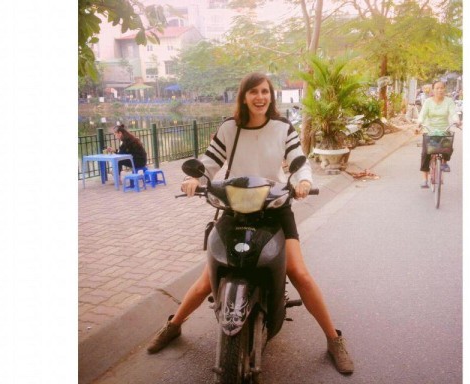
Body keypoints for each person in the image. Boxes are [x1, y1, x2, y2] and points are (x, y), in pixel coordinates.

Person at [146, 72, 354, 374]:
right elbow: (210, 163)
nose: (260, 97)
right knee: (207, 279)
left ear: (271, 96)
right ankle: (174, 325)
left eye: (265, 92)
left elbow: (298, 161)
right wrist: (195, 179)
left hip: (275, 207)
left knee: (299, 273)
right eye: (254, 92)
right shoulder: (230, 128)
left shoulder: (282, 127)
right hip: (236, 206)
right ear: (243, 96)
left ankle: (333, 339)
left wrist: (303, 181)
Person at [418, 81, 460, 188]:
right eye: (437, 88)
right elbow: (422, 114)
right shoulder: (428, 102)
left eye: (442, 88)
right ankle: (425, 179)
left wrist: (457, 120)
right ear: (433, 90)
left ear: (444, 89)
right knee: (425, 153)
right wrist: (419, 123)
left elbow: (453, 113)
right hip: (429, 130)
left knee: (448, 146)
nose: (440, 90)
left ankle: (444, 162)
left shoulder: (449, 101)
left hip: (443, 129)